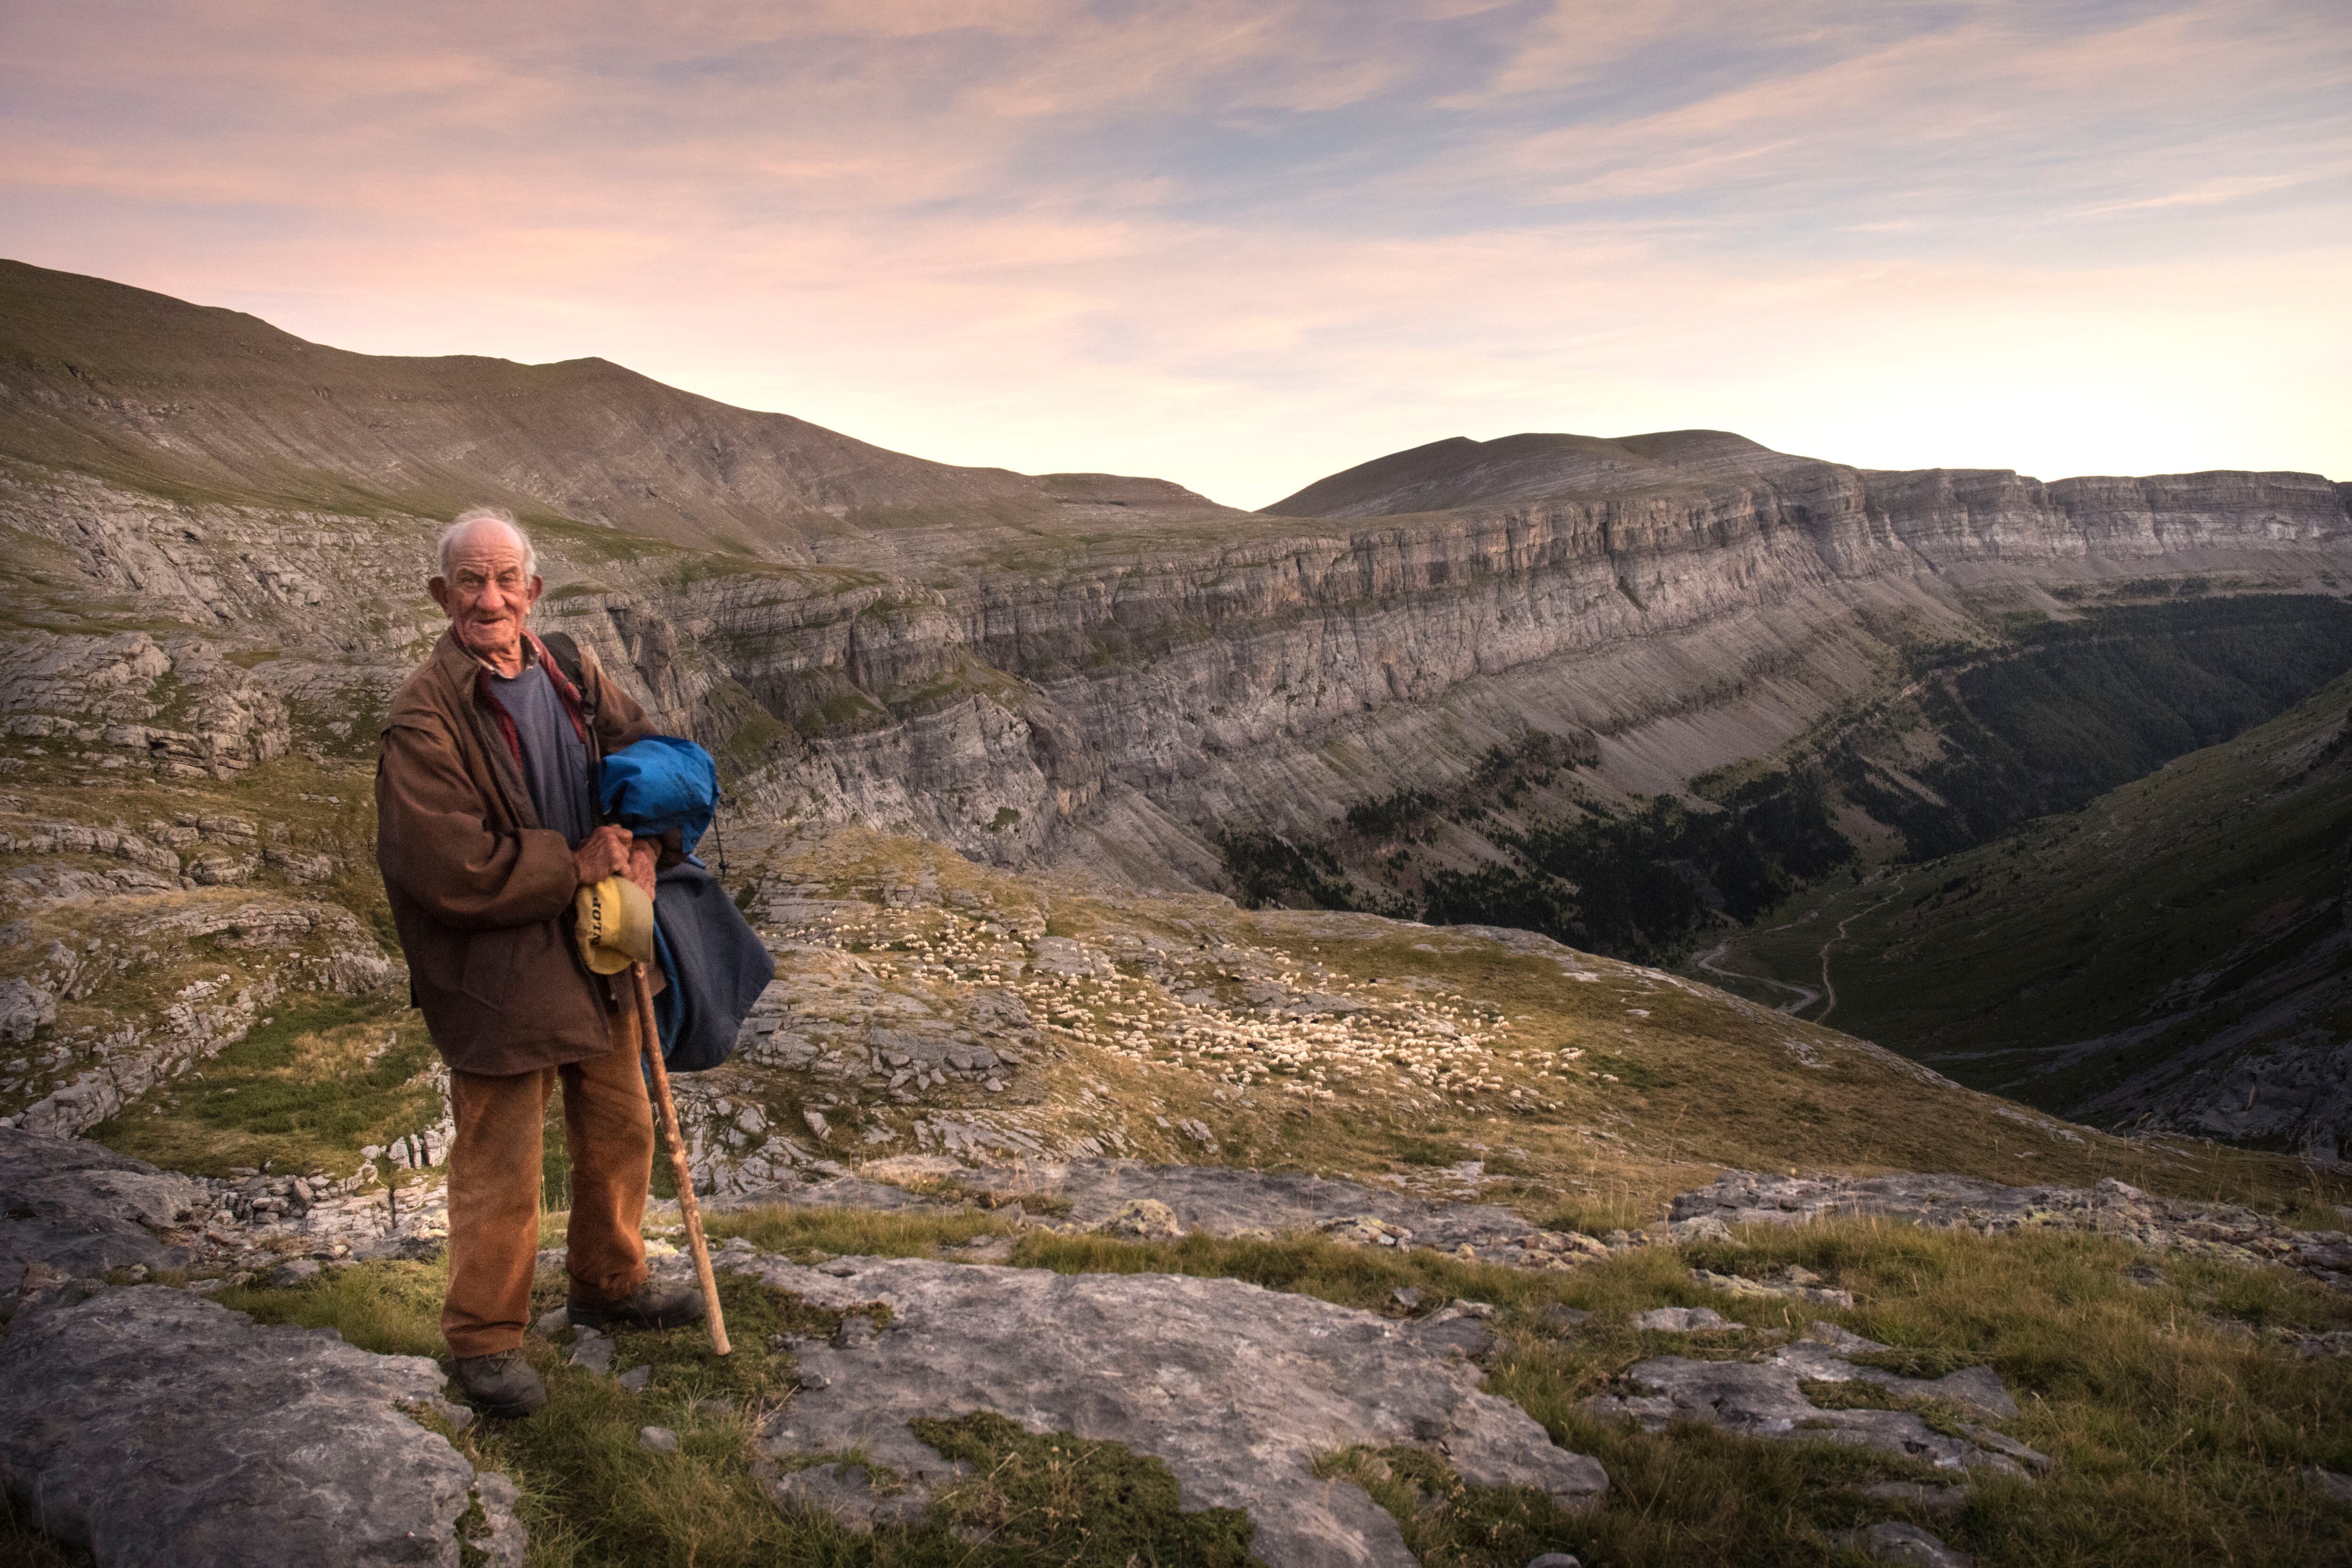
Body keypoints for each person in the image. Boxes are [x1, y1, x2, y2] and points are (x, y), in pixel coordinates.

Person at [375, 505, 703, 1418]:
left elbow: (646, 757)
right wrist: (577, 861)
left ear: (533, 590)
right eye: (469, 583)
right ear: (443, 595)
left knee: (622, 1120)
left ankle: (611, 1281)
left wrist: (644, 849)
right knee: (502, 1158)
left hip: (601, 941)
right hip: (499, 968)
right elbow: (449, 866)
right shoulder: (422, 715)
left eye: (504, 580)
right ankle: (484, 1338)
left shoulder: (570, 668)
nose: (489, 598)